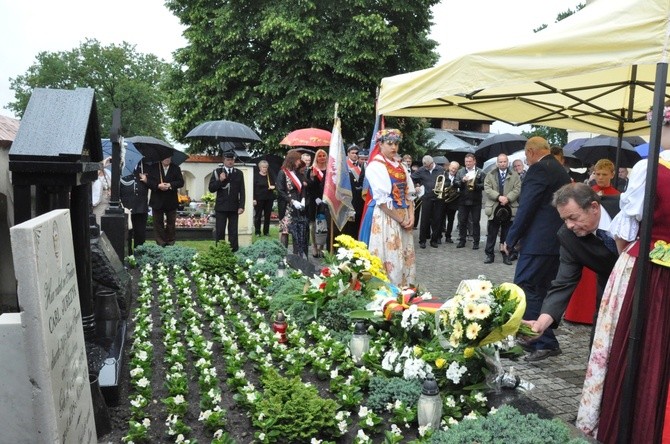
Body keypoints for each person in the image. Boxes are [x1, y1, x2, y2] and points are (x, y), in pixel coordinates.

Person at [576, 107, 670, 443]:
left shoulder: (650, 168)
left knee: (631, 344)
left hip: (645, 266)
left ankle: (626, 426)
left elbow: (625, 230)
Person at [521, 183, 619, 345]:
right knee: (601, 348)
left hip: (650, 286)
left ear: (594, 207)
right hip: (608, 292)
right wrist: (541, 323)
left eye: (573, 218)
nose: (569, 225)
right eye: (564, 219)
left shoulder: (627, 209)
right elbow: (563, 283)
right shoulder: (568, 236)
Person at [502, 136, 571, 361]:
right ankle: (539, 339)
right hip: (554, 241)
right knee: (540, 290)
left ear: (531, 152)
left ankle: (543, 340)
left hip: (538, 242)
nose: (526, 159)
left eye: (526, 155)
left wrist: (511, 238)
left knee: (525, 287)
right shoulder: (558, 168)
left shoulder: (539, 169)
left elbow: (527, 207)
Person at [365, 129, 416, 286]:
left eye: (396, 144)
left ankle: (405, 292)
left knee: (405, 258)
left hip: (403, 216)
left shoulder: (400, 166)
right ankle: (389, 294)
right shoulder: (376, 166)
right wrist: (400, 219)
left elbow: (409, 193)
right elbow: (382, 201)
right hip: (387, 217)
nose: (394, 147)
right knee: (390, 256)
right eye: (389, 144)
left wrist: (411, 216)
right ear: (380, 144)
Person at [483, 153, 521, 265]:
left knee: (507, 234)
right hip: (494, 207)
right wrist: (498, 197)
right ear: (497, 163)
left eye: (504, 161)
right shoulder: (490, 174)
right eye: (500, 161)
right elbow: (487, 188)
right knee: (492, 233)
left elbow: (517, 189)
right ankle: (489, 255)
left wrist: (507, 198)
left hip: (509, 207)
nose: (502, 163)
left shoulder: (514, 175)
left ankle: (506, 256)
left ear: (507, 162)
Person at [208, 151, 246, 251]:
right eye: (228, 160)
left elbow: (242, 191)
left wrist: (241, 206)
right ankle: (220, 250)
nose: (230, 162)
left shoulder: (238, 173)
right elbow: (211, 188)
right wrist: (220, 180)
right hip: (221, 206)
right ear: (224, 160)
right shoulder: (217, 172)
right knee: (220, 230)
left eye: (232, 160)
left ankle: (234, 250)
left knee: (233, 230)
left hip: (234, 206)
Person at [144, 155, 184, 247]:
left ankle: (170, 242)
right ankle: (161, 242)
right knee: (158, 223)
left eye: (169, 157)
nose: (167, 159)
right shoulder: (154, 167)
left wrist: (170, 185)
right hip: (157, 200)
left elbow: (181, 182)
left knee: (171, 223)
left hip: (171, 200)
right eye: (165, 157)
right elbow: (149, 182)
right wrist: (158, 186)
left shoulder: (176, 168)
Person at [276, 149, 309, 258]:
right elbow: (280, 191)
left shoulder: (297, 172)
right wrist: (292, 201)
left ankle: (297, 256)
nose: (299, 162)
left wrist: (303, 199)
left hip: (298, 206)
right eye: (298, 160)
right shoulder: (282, 173)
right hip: (287, 206)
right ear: (292, 160)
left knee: (297, 231)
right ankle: (283, 255)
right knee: (285, 231)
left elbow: (303, 187)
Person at [411, 155, 446, 248]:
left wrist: (442, 186)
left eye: (427, 166)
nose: (426, 167)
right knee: (424, 220)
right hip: (426, 198)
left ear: (432, 163)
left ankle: (434, 240)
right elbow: (411, 178)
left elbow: (446, 181)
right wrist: (417, 185)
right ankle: (422, 241)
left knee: (437, 220)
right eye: (424, 166)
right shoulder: (422, 169)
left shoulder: (440, 169)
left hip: (438, 198)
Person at [455, 153, 485, 249]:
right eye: (466, 161)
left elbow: (484, 185)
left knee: (476, 222)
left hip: (475, 201)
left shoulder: (480, 172)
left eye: (470, 161)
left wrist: (475, 184)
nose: (468, 163)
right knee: (462, 221)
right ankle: (462, 240)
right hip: (463, 200)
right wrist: (462, 181)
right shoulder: (460, 172)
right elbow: (455, 183)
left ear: (474, 161)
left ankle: (476, 242)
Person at [119, 159, 150, 252]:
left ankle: (139, 253)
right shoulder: (121, 168)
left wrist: (146, 181)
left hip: (141, 207)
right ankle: (128, 254)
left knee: (140, 233)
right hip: (126, 206)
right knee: (127, 233)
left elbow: (154, 185)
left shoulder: (146, 168)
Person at [306, 148, 328, 257]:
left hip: (326, 199)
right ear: (316, 157)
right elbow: (308, 187)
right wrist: (313, 178)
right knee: (314, 225)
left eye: (324, 155)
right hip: (314, 200)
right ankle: (314, 246)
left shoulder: (330, 169)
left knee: (324, 224)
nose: (322, 157)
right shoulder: (312, 169)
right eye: (319, 156)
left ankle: (322, 247)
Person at [253, 160, 275, 237]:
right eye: (263, 167)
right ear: (260, 167)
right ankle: (257, 232)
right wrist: (253, 199)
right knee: (258, 216)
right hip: (259, 198)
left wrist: (273, 187)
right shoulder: (256, 176)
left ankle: (266, 232)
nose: (264, 169)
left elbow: (275, 184)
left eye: (266, 167)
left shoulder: (270, 176)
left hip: (269, 198)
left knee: (267, 216)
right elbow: (253, 188)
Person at [442, 161, 460, 243]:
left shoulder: (458, 177)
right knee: (440, 219)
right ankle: (438, 236)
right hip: (443, 201)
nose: (454, 170)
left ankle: (448, 236)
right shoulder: (443, 175)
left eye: (456, 169)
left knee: (451, 220)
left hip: (453, 202)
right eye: (452, 168)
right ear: (449, 167)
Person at [92, 156, 112, 224]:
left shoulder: (108, 172)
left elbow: (111, 185)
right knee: (98, 223)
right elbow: (92, 180)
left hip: (107, 201)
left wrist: (110, 190)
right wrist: (101, 166)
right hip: (97, 202)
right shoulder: (93, 172)